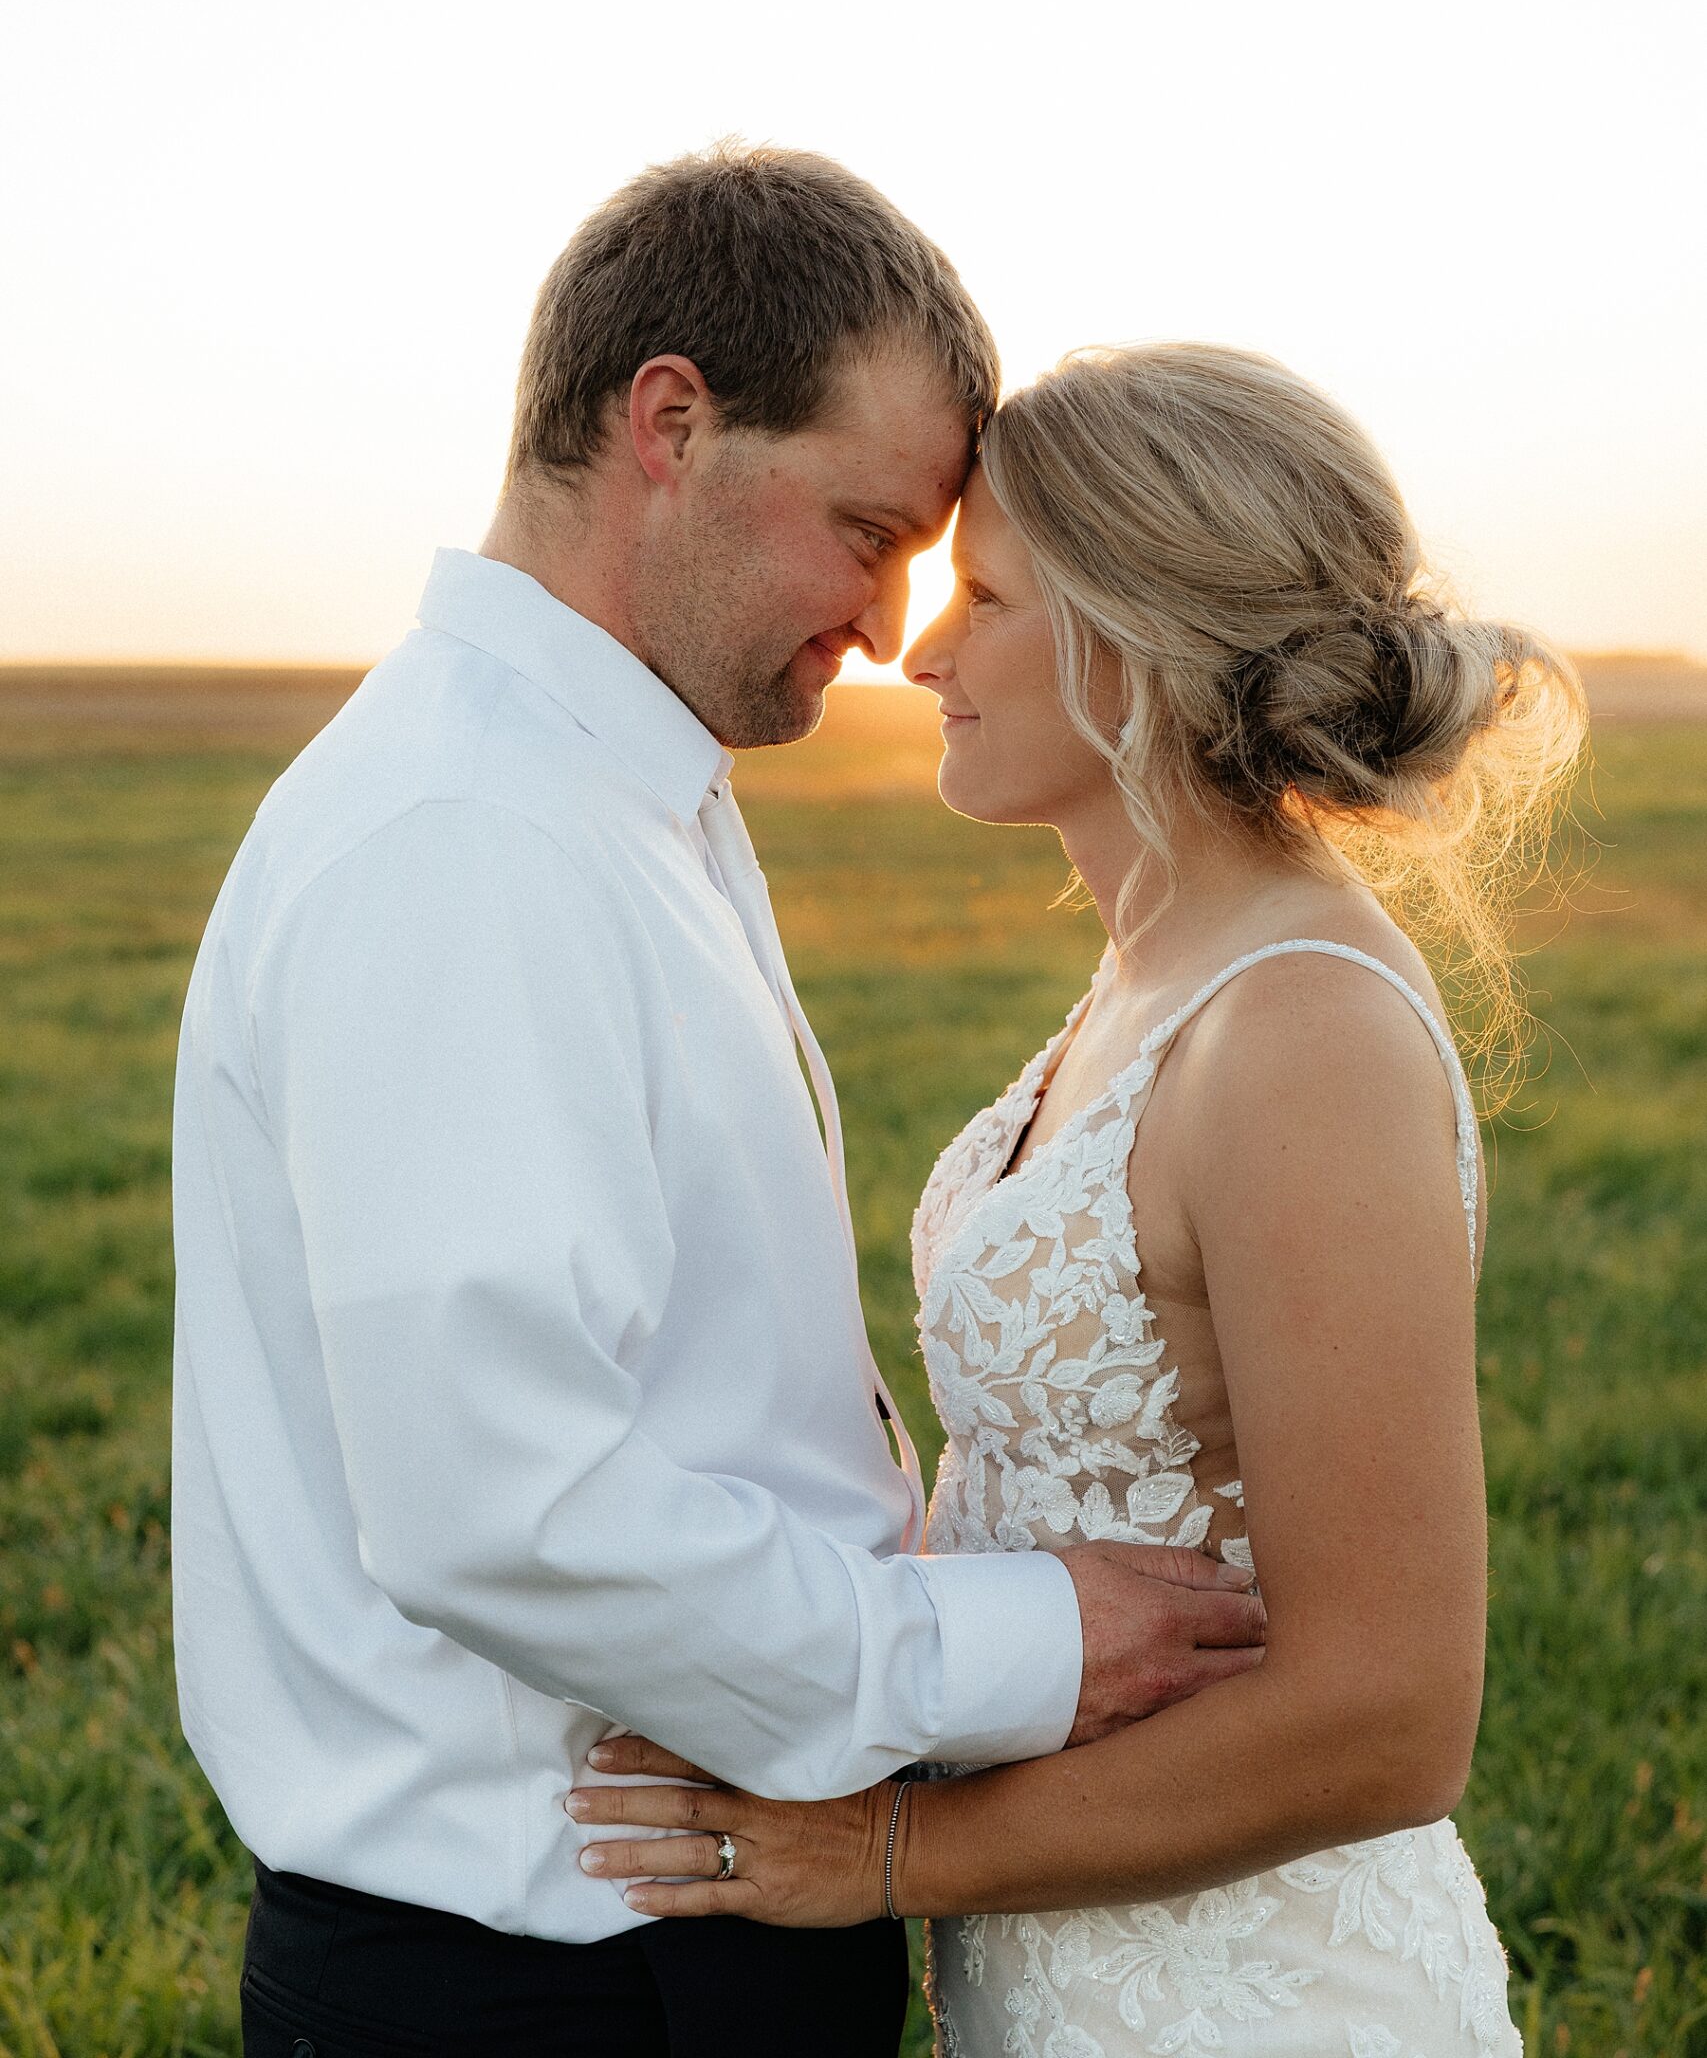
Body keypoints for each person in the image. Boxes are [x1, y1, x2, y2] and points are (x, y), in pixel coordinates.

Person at [170, 154, 1267, 2058]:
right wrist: (1022, 1643)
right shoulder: (470, 838)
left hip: (680, 1922)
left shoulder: (613, 791)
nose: (888, 621)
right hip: (558, 1973)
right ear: (667, 422)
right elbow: (503, 1507)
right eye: (864, 526)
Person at [566, 342, 1587, 2055]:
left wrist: (890, 1851)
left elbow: (1391, 1715)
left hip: (1258, 2002)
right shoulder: (1158, 967)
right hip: (1063, 1970)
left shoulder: (1303, 1030)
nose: (918, 650)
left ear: (1136, 638)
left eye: (982, 595)